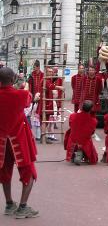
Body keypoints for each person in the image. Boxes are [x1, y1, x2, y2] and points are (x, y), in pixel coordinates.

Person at [0, 67, 38, 218]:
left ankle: (9, 204)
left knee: (4, 173)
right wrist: (22, 85)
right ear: (13, 79)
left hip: (2, 142)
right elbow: (29, 98)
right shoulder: (20, 94)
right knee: (29, 173)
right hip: (18, 140)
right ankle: (22, 207)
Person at [65, 100, 98, 165]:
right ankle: (84, 155)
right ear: (91, 109)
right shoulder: (94, 121)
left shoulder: (72, 116)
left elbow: (71, 125)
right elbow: (92, 132)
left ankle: (73, 154)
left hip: (73, 140)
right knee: (94, 157)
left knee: (70, 133)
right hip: (85, 141)